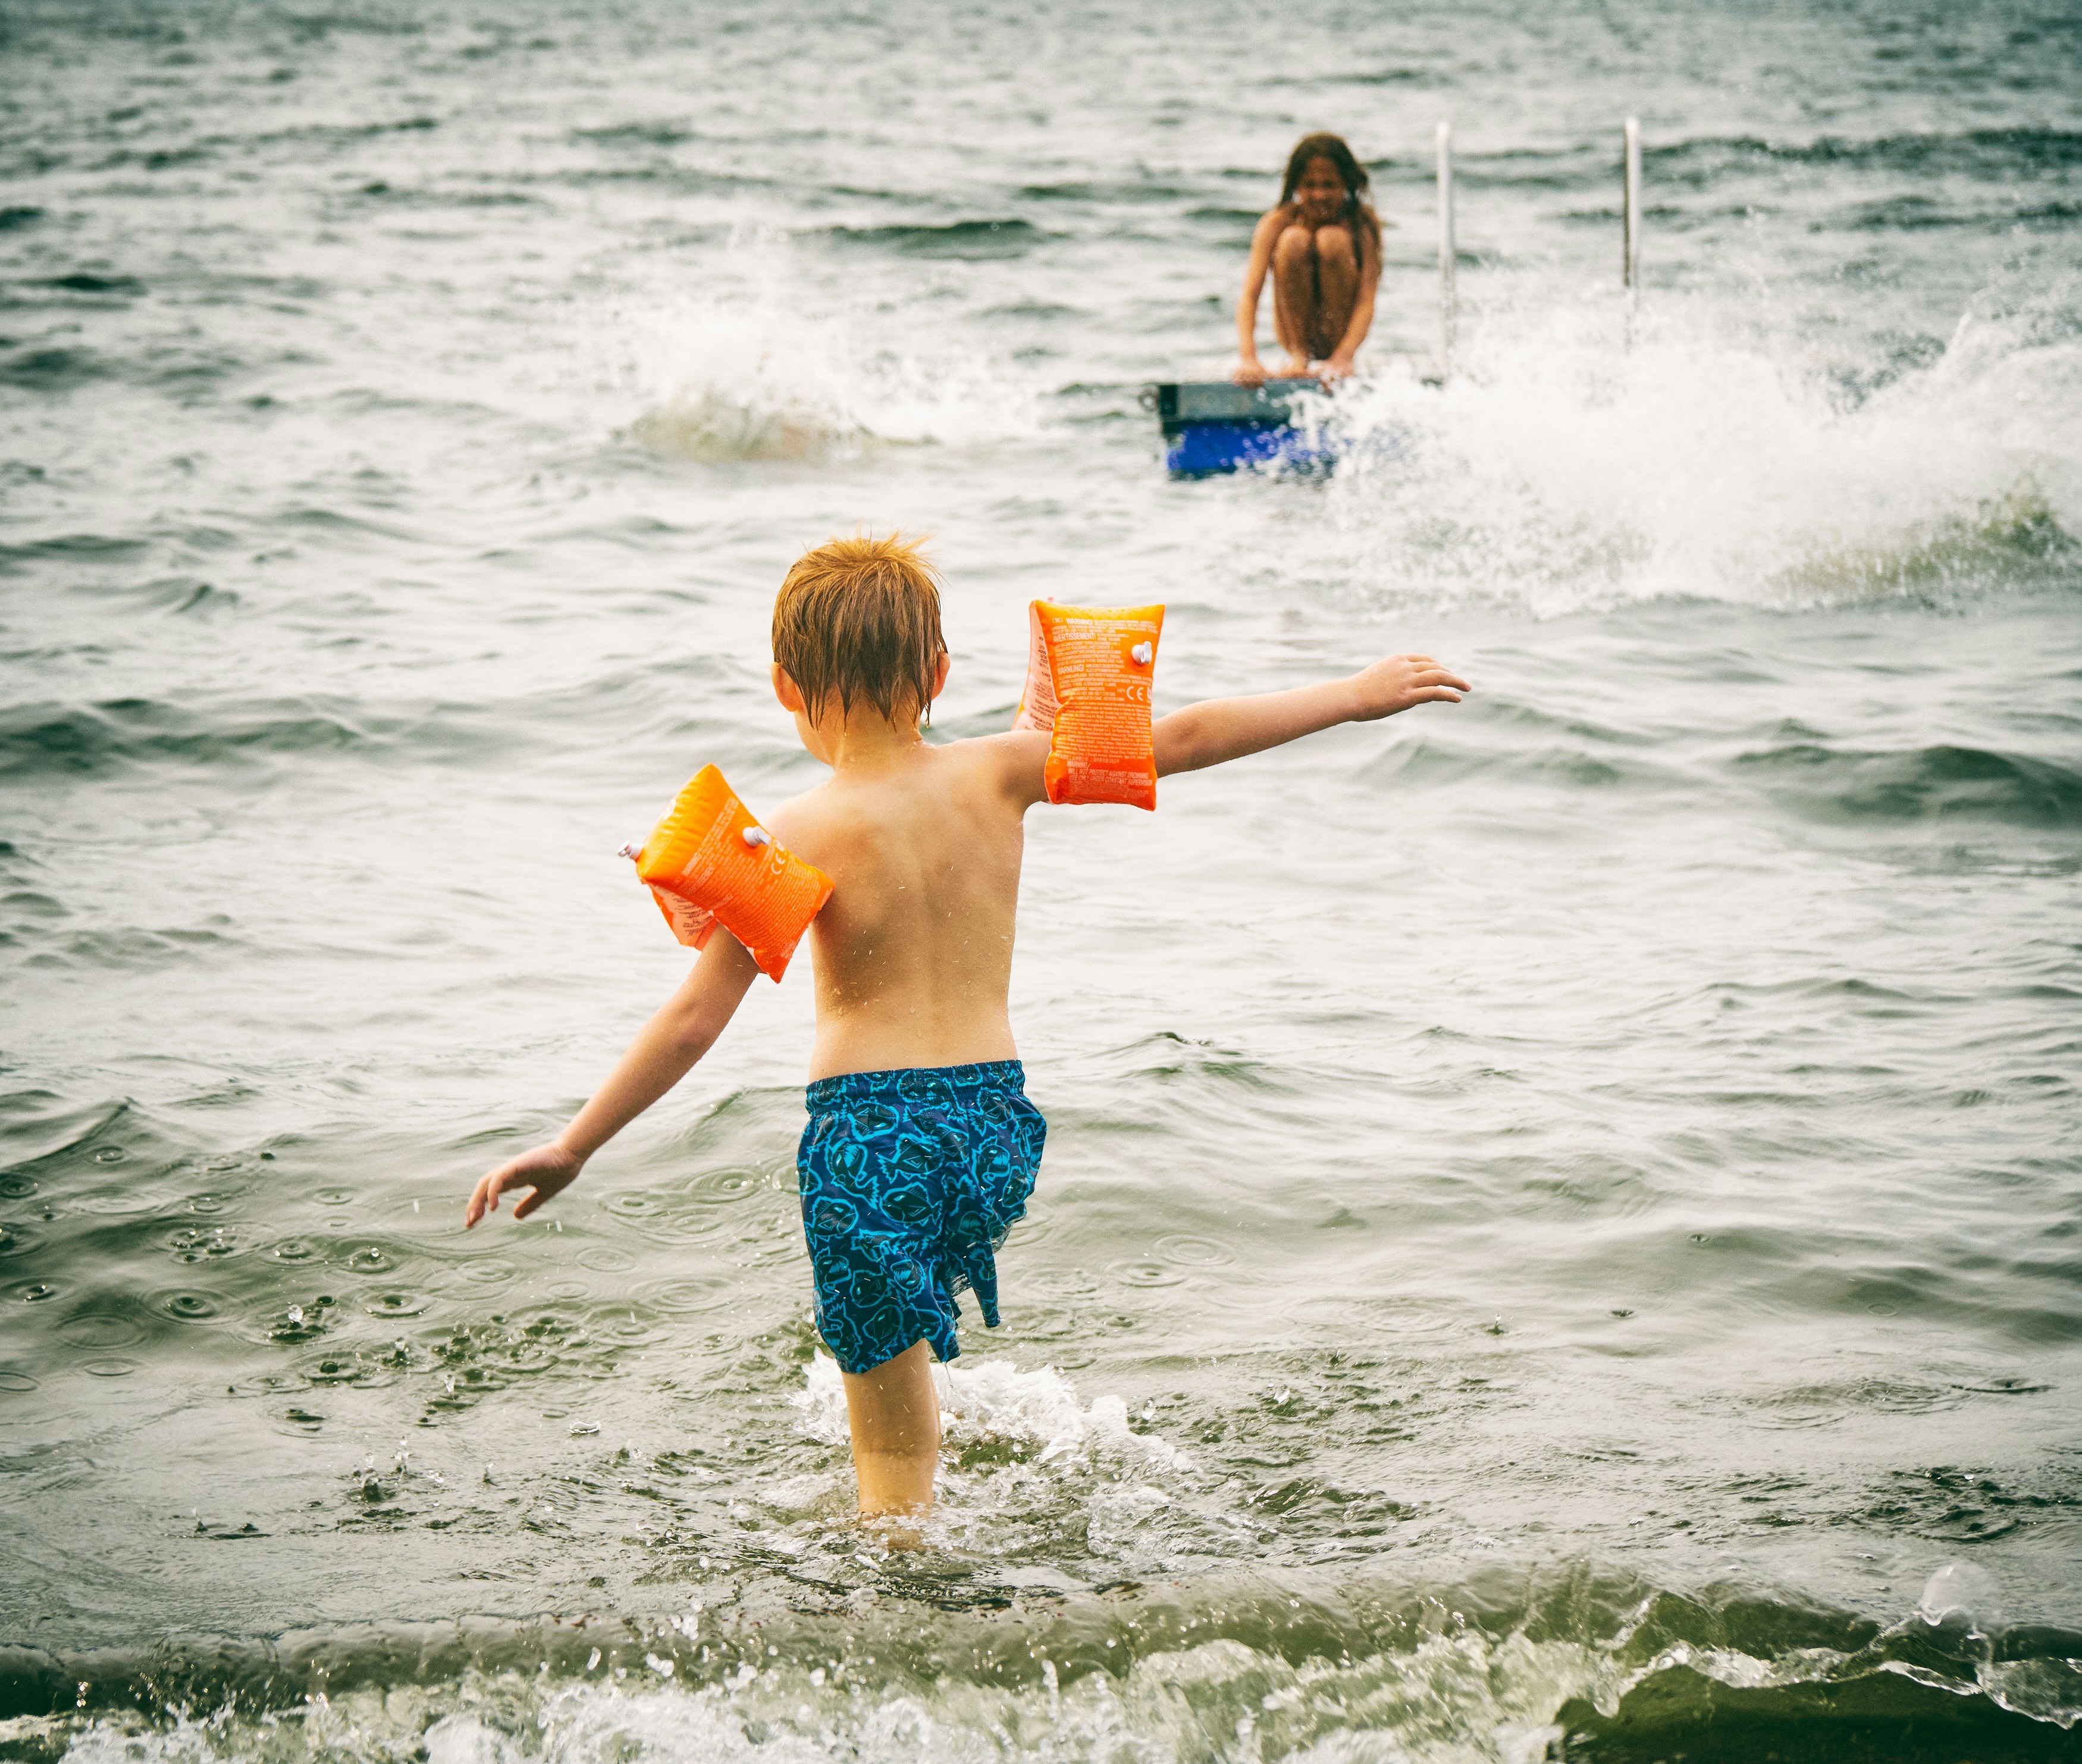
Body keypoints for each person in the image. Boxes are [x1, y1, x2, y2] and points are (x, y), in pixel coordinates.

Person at [464, 534, 1468, 1517]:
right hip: (994, 1131)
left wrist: (575, 1144)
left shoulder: (793, 835)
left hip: (869, 1138)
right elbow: (1189, 737)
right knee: (908, 1361)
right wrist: (1355, 694)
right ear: (940, 673)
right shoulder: (1002, 771)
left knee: (889, 1463)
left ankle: (899, 1580)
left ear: (783, 687)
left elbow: (693, 1020)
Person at [1234, 132, 1384, 386]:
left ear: (1346, 184)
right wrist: (1248, 358)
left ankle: (1336, 354)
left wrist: (1343, 357)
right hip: (1293, 337)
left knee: (1331, 240)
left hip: (1340, 334)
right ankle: (1299, 356)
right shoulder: (1278, 222)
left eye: (1329, 185)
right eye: (1310, 185)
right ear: (1295, 186)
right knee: (1293, 240)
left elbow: (1366, 300)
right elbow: (1249, 295)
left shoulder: (1361, 224)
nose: (1320, 195)